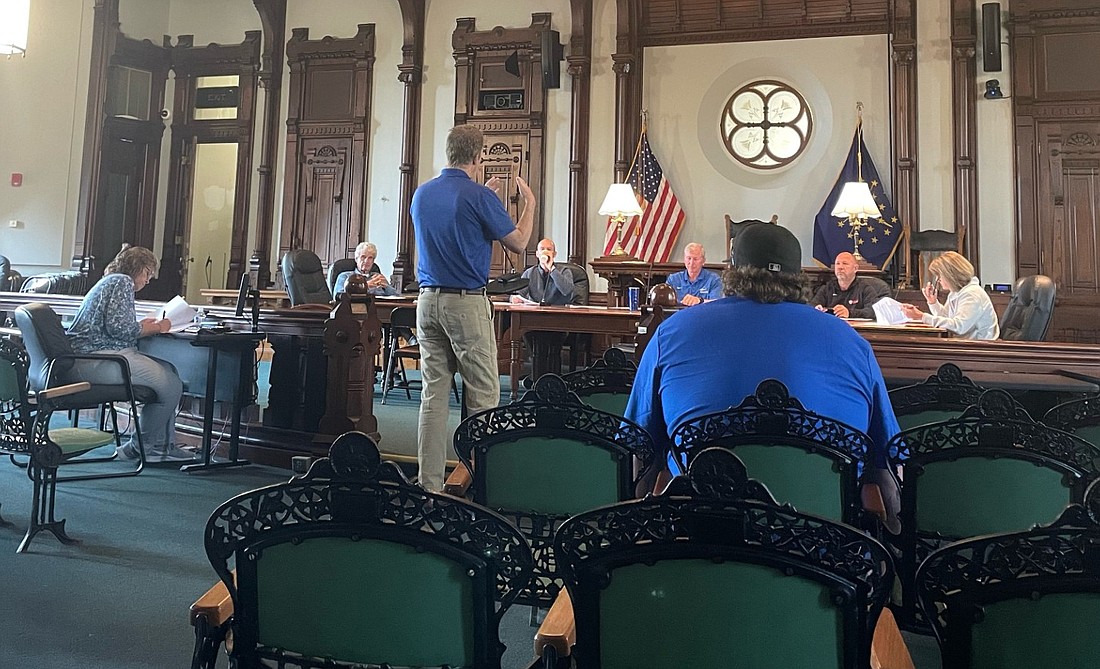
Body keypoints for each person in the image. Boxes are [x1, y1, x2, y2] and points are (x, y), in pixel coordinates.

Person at [625, 224, 900, 515]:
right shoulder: (853, 344)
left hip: (700, 538)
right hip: (824, 544)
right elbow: (885, 460)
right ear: (798, 278)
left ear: (732, 271)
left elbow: (639, 445)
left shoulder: (671, 334)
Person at [411, 124, 535, 491]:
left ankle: (429, 486)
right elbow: (519, 242)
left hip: (426, 301)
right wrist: (529, 204)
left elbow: (453, 226)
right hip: (465, 304)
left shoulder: (421, 193)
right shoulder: (478, 197)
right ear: (479, 157)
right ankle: (483, 483)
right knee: (484, 395)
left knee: (433, 396)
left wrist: (486, 199)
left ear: (449, 152)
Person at [66, 245, 191, 462]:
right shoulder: (122, 281)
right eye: (148, 273)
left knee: (170, 370)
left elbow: (115, 325)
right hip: (97, 358)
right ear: (138, 268)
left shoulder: (110, 281)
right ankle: (140, 448)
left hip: (91, 356)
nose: (148, 280)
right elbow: (120, 329)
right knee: (172, 385)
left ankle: (163, 446)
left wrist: (141, 325)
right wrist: (161, 326)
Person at [511, 238, 575, 378]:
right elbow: (518, 294)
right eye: (542, 249)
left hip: (558, 321)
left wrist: (552, 270)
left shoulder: (564, 271)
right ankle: (538, 380)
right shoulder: (529, 273)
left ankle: (552, 380)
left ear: (555, 254)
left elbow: (567, 290)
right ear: (537, 254)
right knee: (535, 339)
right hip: (534, 321)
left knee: (550, 340)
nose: (545, 252)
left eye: (549, 249)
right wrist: (514, 299)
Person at [900, 251, 1000, 339]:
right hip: (965, 346)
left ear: (950, 275)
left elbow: (958, 327)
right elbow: (947, 319)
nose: (938, 280)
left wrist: (922, 317)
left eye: (939, 275)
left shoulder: (972, 294)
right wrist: (933, 302)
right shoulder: (956, 292)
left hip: (979, 350)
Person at [811, 251, 890, 319]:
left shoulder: (865, 288)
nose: (840, 267)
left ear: (855, 268)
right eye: (837, 264)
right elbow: (812, 305)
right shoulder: (827, 288)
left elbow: (872, 311)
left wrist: (849, 313)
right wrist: (816, 309)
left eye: (845, 263)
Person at [332, 241, 399, 297]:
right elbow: (338, 296)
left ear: (373, 261)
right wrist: (365, 286)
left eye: (370, 258)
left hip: (380, 308)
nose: (366, 261)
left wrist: (386, 286)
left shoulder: (377, 277)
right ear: (356, 259)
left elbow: (396, 296)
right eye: (363, 257)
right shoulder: (345, 276)